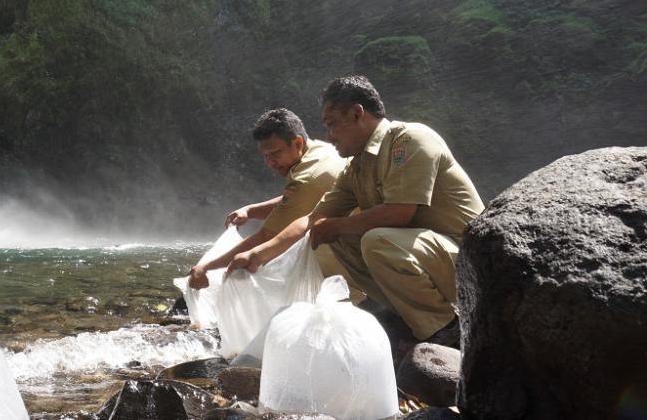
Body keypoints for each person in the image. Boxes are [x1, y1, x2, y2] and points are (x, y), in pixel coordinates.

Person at [226, 75, 484, 346]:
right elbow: (313, 219)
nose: (328, 136)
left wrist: (336, 225)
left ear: (358, 113)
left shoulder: (410, 140)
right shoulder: (357, 167)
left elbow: (400, 212)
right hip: (430, 259)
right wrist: (258, 254)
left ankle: (445, 327)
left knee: (371, 239)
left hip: (468, 263)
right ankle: (403, 314)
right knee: (329, 237)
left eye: (332, 124)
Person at [187, 108, 348, 289]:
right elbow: (297, 201)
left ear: (297, 142)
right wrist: (251, 211)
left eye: (275, 153)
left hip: (348, 265)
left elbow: (267, 236)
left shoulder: (307, 178)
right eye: (265, 156)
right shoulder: (322, 150)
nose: (270, 163)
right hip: (352, 243)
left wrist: (206, 267)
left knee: (270, 256)